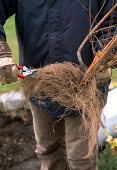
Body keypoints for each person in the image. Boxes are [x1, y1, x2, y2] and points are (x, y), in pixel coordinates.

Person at [0, 0, 116, 169]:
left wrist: (106, 54)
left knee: (81, 158)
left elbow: (112, 22)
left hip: (85, 85)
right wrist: (2, 50)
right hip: (39, 82)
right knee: (48, 151)